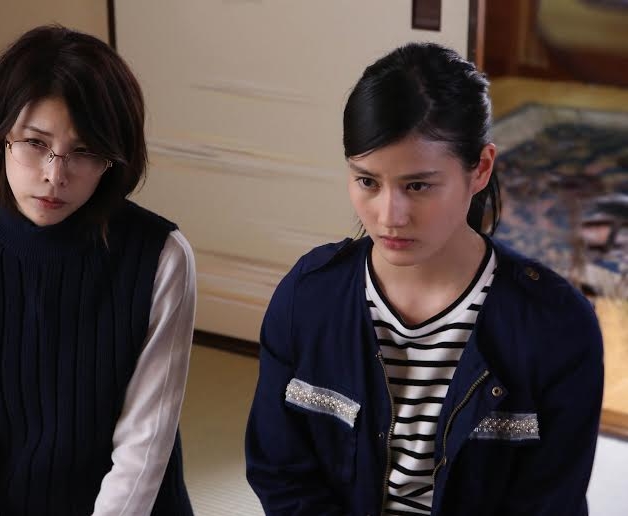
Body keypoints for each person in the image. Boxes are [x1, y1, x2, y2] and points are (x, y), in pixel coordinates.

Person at [245, 42, 604, 516]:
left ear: (481, 168)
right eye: (367, 181)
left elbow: (548, 503)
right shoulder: (307, 297)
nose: (389, 216)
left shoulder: (557, 325)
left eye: (418, 185)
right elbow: (280, 472)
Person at [0, 25, 195, 516]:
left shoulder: (162, 258)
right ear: (0, 134)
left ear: (113, 158)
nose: (55, 175)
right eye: (35, 143)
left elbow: (145, 439)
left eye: (85, 151)